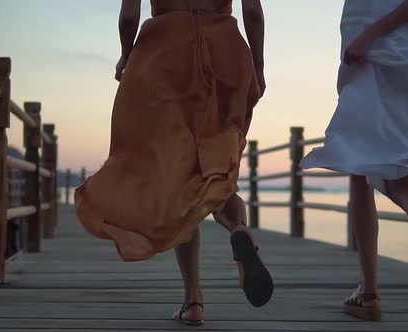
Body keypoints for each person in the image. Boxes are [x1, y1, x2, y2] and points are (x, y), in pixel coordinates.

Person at [74, 0, 272, 326]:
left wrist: (127, 54)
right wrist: (258, 66)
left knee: (179, 178)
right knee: (217, 169)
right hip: (225, 53)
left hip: (165, 56)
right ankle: (239, 229)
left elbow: (128, 16)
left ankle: (193, 300)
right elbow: (252, 12)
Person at [300, 0, 408, 322]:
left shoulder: (374, 39)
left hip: (377, 62)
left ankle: (368, 295)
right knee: (401, 183)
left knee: (357, 165)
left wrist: (372, 33)